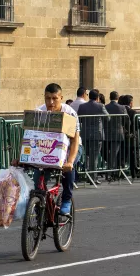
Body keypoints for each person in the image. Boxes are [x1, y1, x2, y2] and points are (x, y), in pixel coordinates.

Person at [29, 83, 80, 216]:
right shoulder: (40, 112)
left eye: (54, 98)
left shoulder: (69, 113)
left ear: (61, 98)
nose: (50, 102)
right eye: (47, 98)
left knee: (67, 168)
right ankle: (40, 201)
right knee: (38, 175)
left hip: (70, 148)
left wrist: (70, 161)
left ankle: (67, 199)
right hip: (48, 149)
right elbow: (29, 138)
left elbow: (74, 140)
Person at [77, 89, 108, 184]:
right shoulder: (101, 106)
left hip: (85, 134)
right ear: (97, 97)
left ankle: (88, 175)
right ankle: (93, 178)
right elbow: (108, 117)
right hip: (97, 134)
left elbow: (79, 119)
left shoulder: (82, 106)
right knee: (94, 157)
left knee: (87, 156)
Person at [104, 91, 127, 176]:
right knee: (114, 153)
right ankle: (111, 172)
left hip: (107, 132)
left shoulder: (106, 107)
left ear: (110, 98)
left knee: (110, 153)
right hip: (118, 132)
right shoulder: (121, 107)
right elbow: (126, 119)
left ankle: (111, 171)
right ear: (118, 98)